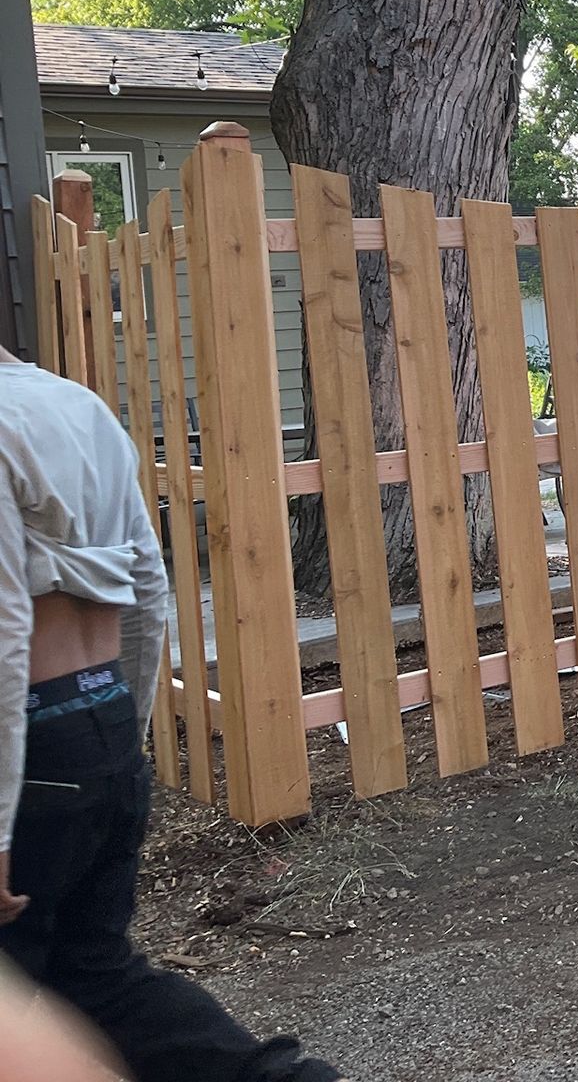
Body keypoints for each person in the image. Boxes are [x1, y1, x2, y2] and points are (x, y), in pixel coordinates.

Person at [0, 349, 341, 1081]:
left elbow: (2, 631)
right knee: (94, 976)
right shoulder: (75, 408)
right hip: (99, 724)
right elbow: (147, 587)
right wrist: (122, 737)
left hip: (26, 746)